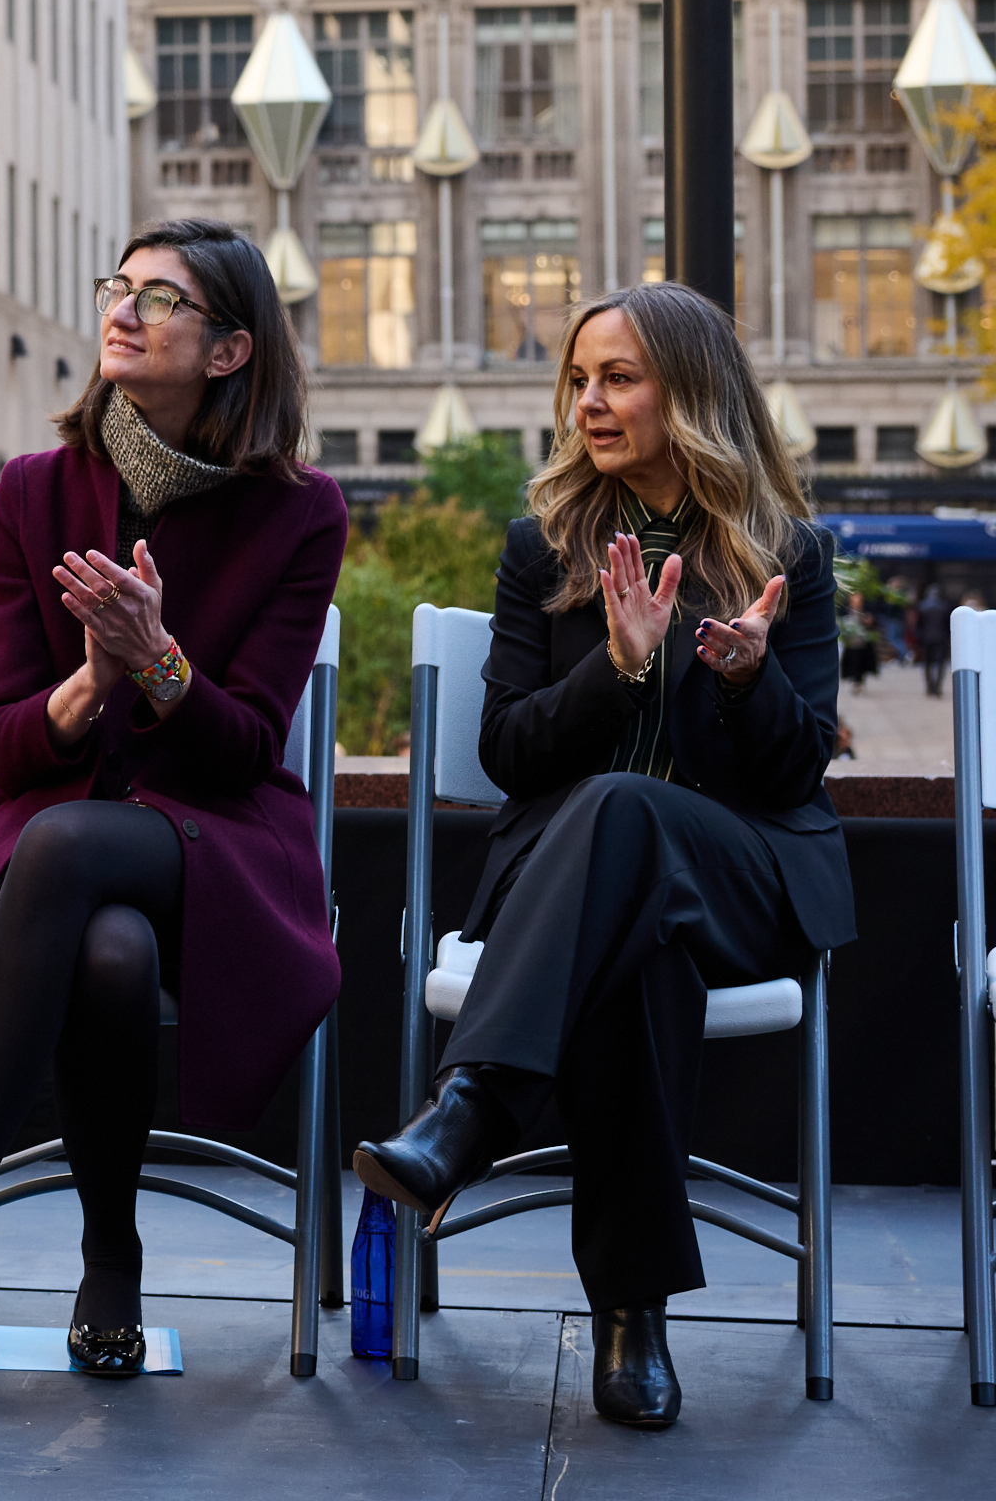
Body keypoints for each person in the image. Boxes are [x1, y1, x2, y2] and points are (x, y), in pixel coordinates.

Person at [0, 220, 344, 1375]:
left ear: (227, 352)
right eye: (120, 287)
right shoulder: (33, 491)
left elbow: (245, 750)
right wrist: (94, 677)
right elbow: (6, 744)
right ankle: (110, 1257)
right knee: (108, 948)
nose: (123, 309)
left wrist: (161, 662)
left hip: (215, 844)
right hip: (52, 844)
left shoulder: (300, 511)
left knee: (73, 849)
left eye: (160, 299)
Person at [357, 283, 846, 1432]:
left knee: (633, 825)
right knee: (635, 941)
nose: (588, 401)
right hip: (575, 895)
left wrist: (746, 678)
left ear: (692, 388)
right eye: (578, 379)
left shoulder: (789, 553)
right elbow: (510, 754)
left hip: (747, 877)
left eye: (616, 377)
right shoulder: (545, 548)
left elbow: (798, 773)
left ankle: (470, 1107)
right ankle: (633, 1318)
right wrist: (616, 670)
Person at [912, 576, 952, 697]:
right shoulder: (943, 606)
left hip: (926, 639)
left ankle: (930, 686)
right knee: (940, 663)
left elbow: (919, 625)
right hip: (941, 638)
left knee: (927, 663)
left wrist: (918, 639)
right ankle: (937, 687)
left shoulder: (922, 606)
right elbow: (947, 625)